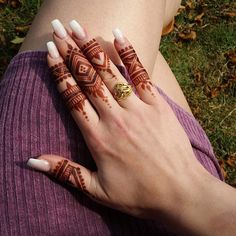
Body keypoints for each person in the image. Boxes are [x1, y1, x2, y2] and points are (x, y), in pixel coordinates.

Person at [0, 0, 235, 235]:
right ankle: (158, 23)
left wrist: (186, 190)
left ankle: (159, 21)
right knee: (130, 51)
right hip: (198, 185)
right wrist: (194, 186)